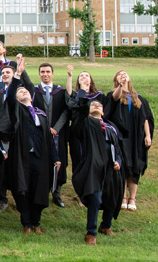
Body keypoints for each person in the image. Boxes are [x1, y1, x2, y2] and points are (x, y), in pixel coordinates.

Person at [0, 81, 60, 235]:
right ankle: (26, 223)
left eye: (25, 91)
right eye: (20, 92)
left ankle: (36, 223)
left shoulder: (41, 114)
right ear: (16, 98)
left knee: (39, 190)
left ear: (32, 97)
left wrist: (55, 158)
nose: (23, 92)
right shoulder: (17, 111)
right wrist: (17, 77)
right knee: (22, 191)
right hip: (21, 158)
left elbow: (48, 139)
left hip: (40, 158)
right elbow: (10, 99)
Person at [68, 86, 124, 245]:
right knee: (96, 198)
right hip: (93, 167)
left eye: (100, 106)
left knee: (112, 197)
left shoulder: (111, 128)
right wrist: (81, 94)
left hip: (111, 168)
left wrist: (118, 162)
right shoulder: (85, 124)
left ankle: (105, 226)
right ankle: (91, 232)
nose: (97, 106)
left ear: (104, 112)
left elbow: (118, 150)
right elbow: (77, 112)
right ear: (88, 110)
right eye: (93, 105)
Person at [106, 70, 153, 212]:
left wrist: (148, 135)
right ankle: (123, 197)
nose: (123, 75)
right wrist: (121, 86)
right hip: (121, 137)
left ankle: (132, 198)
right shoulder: (113, 96)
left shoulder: (139, 99)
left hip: (137, 138)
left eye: (125, 74)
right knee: (124, 165)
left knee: (135, 166)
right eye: (119, 74)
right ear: (116, 79)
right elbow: (114, 99)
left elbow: (145, 118)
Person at [29, 63, 70, 207]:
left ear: (52, 73)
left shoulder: (60, 91)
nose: (45, 74)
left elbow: (66, 111)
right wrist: (46, 128)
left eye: (47, 72)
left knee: (59, 162)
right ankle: (42, 192)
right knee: (42, 162)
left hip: (58, 134)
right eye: (42, 72)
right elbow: (31, 110)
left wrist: (56, 128)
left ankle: (57, 194)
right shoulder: (34, 91)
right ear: (39, 74)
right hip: (40, 134)